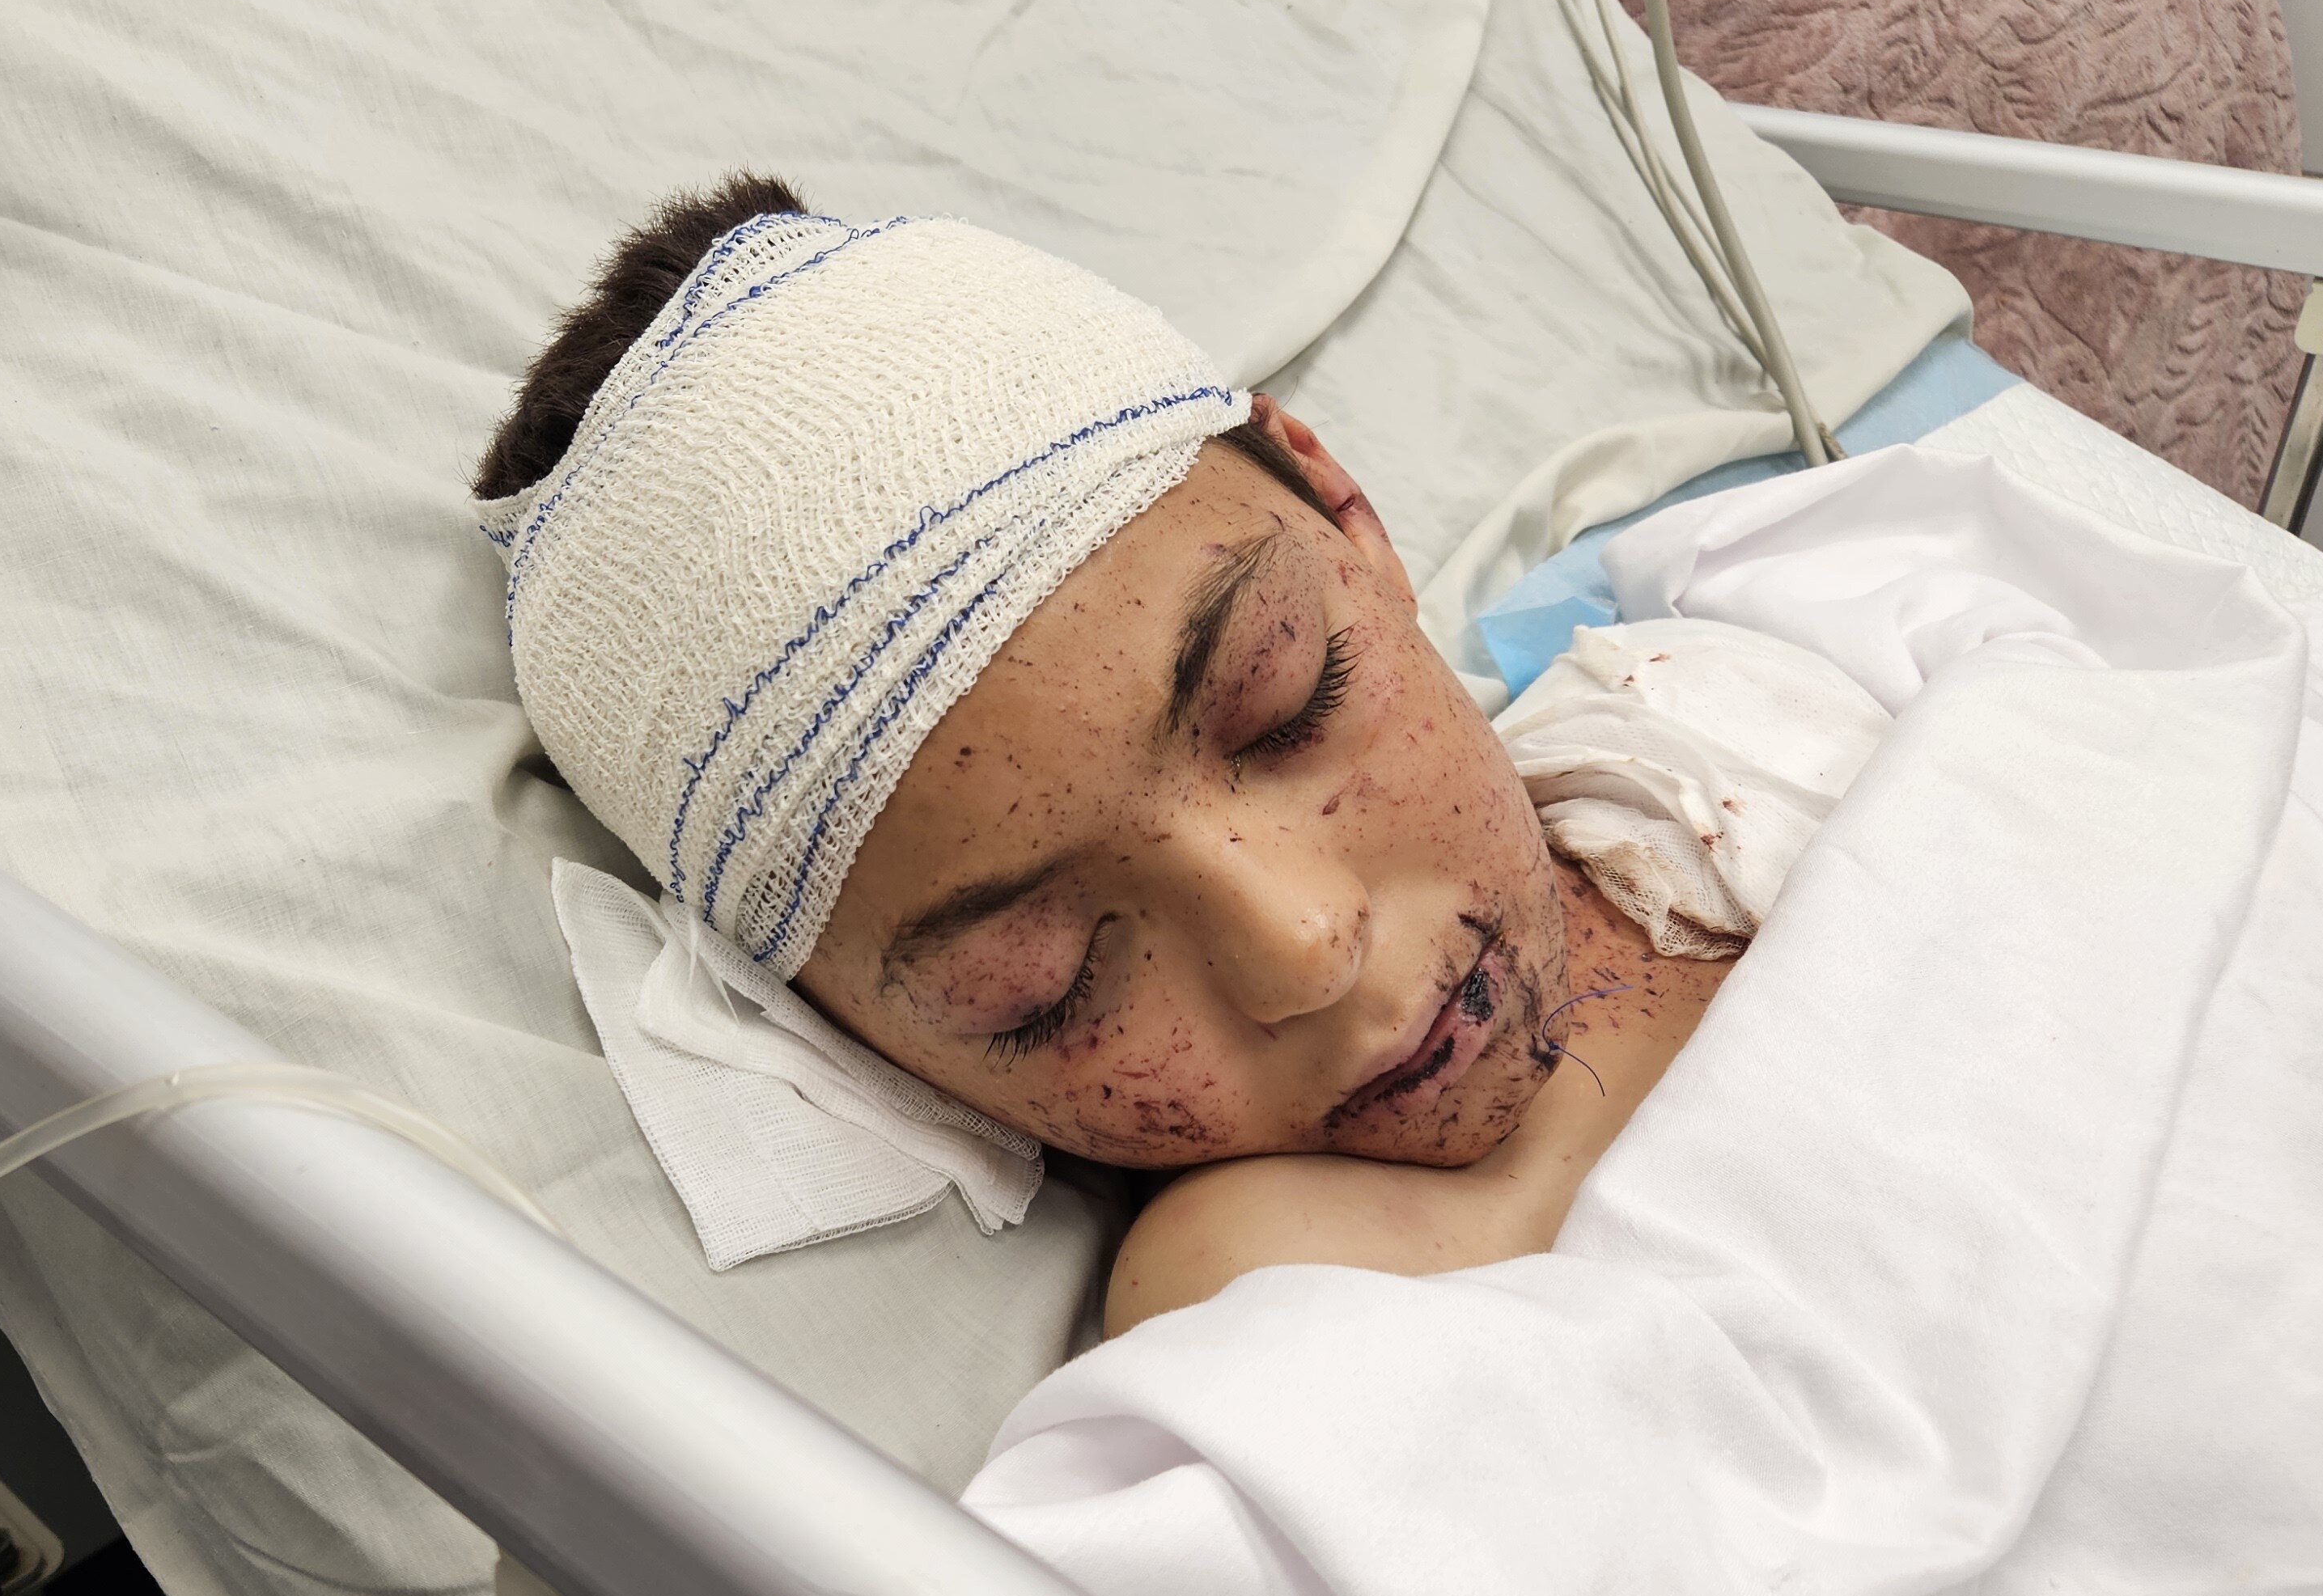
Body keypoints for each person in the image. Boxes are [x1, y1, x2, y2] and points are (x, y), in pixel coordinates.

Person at [473, 176, 1732, 1334]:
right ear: (869, 1057)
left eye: (1291, 700)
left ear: (1340, 507)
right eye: (1048, 983)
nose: (1304, 946)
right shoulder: (1284, 1301)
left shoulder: (1741, 635)